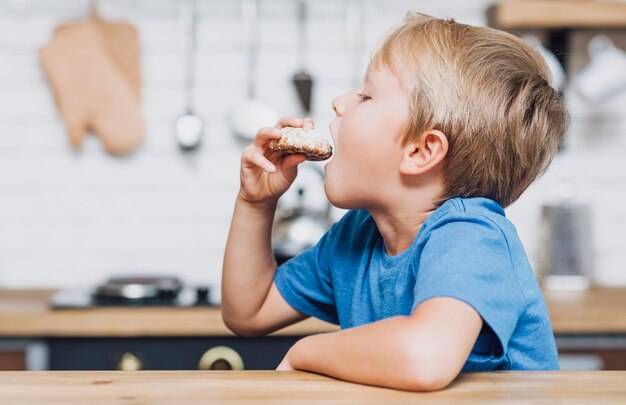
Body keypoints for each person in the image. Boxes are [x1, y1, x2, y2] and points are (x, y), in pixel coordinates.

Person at [221, 12, 569, 391]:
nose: (339, 103)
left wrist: (306, 351)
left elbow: (425, 357)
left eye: (366, 96)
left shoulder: (471, 236)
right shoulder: (357, 237)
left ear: (421, 151)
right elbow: (248, 311)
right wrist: (255, 204)